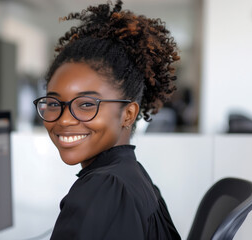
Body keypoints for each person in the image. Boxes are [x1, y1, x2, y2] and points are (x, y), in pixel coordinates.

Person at [33, 0, 181, 239]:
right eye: (54, 104)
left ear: (128, 114)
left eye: (86, 105)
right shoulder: (130, 174)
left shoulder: (104, 188)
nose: (64, 120)